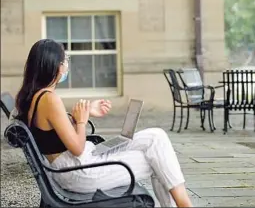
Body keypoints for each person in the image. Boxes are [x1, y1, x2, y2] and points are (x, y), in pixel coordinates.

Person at [15, 39, 193, 207]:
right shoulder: (49, 99)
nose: (67, 65)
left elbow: (55, 134)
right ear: (55, 65)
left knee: (156, 137)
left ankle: (183, 204)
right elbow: (77, 148)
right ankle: (184, 204)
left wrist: (85, 112)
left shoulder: (38, 97)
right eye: (65, 60)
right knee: (157, 159)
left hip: (76, 164)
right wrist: (82, 121)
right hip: (79, 172)